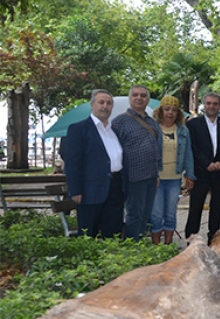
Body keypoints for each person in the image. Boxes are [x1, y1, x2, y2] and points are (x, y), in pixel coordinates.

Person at [65, 89, 124, 238]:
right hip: (89, 190)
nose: (105, 106)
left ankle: (110, 261)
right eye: (101, 102)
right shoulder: (79, 129)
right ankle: (86, 261)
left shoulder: (114, 131)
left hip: (115, 188)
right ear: (92, 105)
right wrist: (75, 190)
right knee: (87, 233)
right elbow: (72, 162)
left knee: (113, 233)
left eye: (109, 103)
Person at [112, 85, 161, 241]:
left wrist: (157, 172)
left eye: (143, 95)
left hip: (151, 176)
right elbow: (114, 150)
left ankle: (139, 246)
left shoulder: (152, 122)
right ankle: (131, 247)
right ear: (130, 98)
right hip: (133, 176)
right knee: (134, 214)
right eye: (135, 95)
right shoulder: (120, 122)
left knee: (145, 215)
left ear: (147, 99)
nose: (139, 98)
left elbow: (156, 149)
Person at [185, 92, 220, 243]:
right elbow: (192, 147)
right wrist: (206, 163)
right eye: (208, 103)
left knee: (217, 205)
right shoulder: (193, 124)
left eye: (215, 104)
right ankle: (191, 238)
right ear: (203, 105)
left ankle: (213, 236)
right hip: (201, 171)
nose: (211, 106)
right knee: (196, 206)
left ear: (219, 106)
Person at [150, 96, 196, 245]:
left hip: (174, 178)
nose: (170, 113)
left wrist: (190, 175)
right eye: (167, 109)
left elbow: (188, 153)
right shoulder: (153, 128)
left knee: (170, 213)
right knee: (156, 214)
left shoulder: (183, 130)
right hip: (157, 177)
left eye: (174, 110)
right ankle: (156, 248)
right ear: (161, 110)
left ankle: (168, 246)